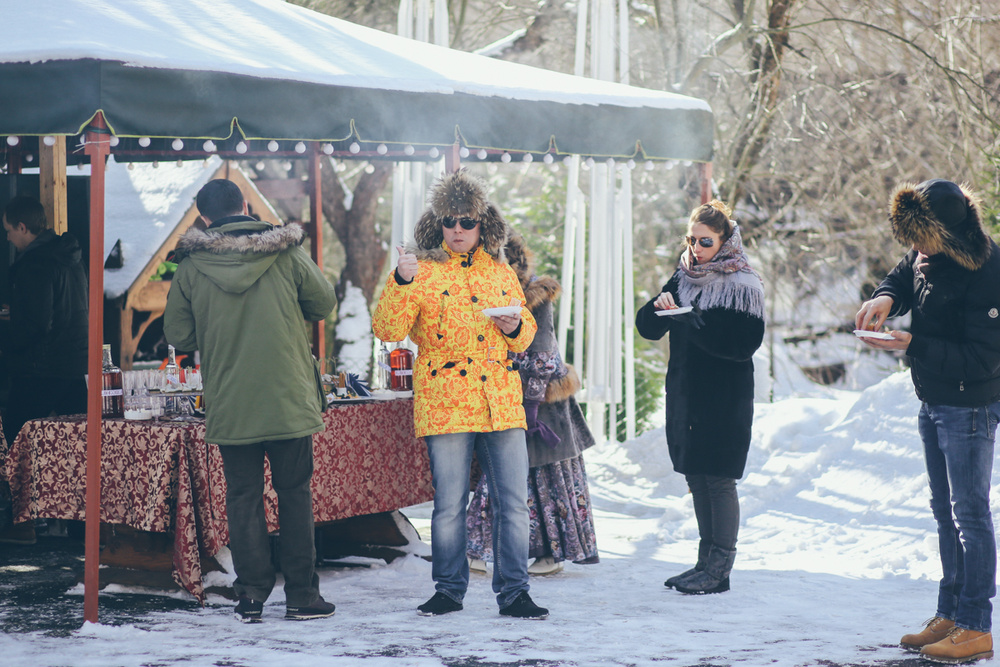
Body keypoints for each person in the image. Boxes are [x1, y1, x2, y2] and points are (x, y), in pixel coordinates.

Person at [372, 170, 548, 619]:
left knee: (512, 502)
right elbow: (387, 330)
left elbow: (525, 333)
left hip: (500, 399)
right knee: (449, 504)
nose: (457, 230)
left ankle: (515, 593)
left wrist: (515, 327)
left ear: (482, 224)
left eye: (466, 222)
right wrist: (401, 281)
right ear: (439, 222)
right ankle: (448, 590)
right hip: (446, 399)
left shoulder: (500, 270)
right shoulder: (420, 269)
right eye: (449, 220)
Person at [163, 179, 337, 623]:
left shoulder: (190, 267)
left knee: (243, 498)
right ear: (245, 206)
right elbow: (322, 303)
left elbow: (179, 336)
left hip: (231, 398)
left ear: (204, 218)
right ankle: (302, 596)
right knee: (295, 495)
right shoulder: (286, 252)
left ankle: (252, 596)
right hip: (289, 397)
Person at [856, 179, 999, 664]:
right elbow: (902, 273)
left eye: (922, 238)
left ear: (947, 232)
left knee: (971, 517)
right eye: (911, 239)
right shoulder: (926, 254)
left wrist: (911, 345)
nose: (916, 249)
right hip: (933, 399)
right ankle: (950, 612)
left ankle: (976, 625)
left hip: (970, 406)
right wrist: (886, 298)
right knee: (945, 514)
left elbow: (985, 359)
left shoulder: (987, 270)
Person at [635, 200, 764, 595]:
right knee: (697, 477)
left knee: (719, 479)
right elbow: (646, 328)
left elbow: (744, 345)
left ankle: (720, 569)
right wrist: (658, 310)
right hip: (688, 395)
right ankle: (703, 562)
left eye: (705, 241)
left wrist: (695, 321)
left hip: (725, 398)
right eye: (691, 239)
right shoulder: (684, 276)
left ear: (725, 241)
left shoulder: (743, 284)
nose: (696, 248)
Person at [466, 231, 598, 575]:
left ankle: (551, 553)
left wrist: (531, 403)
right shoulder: (476, 289)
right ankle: (477, 549)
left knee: (546, 478)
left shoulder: (535, 293)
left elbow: (542, 350)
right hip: (504, 393)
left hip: (539, 400)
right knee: (505, 478)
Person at [0, 195, 88, 545]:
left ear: (23, 227)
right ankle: (83, 527)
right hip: (72, 363)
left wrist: (7, 342)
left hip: (40, 367)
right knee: (78, 448)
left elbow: (37, 323)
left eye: (9, 231)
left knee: (15, 443)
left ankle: (21, 525)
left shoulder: (35, 263)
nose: (7, 238)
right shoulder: (68, 257)